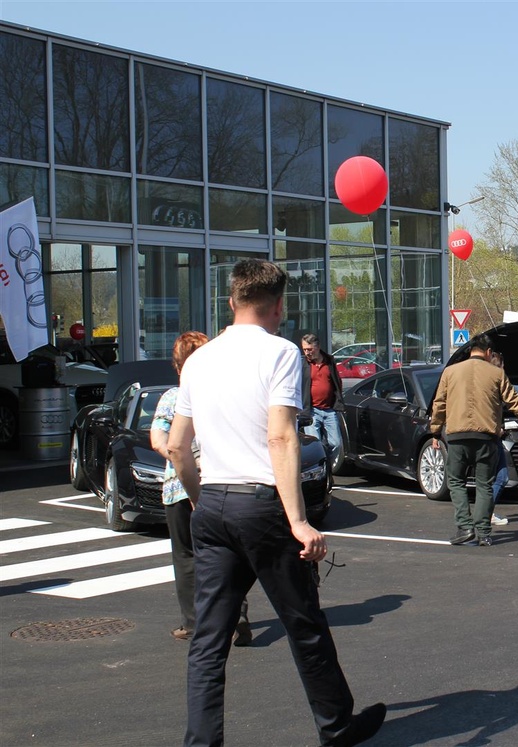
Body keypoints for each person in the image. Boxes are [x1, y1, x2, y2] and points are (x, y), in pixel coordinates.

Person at [167, 259, 385, 746]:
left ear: (231, 300)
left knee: (208, 639)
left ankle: (201, 742)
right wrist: (299, 521)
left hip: (215, 501)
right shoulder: (282, 353)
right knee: (304, 623)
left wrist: (202, 500)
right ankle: (336, 726)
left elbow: (179, 447)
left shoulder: (199, 359)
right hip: (262, 505)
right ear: (279, 306)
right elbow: (282, 438)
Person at [151, 331, 252, 647]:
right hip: (220, 482)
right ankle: (236, 615)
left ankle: (194, 624)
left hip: (178, 487)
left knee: (186, 556)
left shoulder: (173, 397)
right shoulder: (227, 394)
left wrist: (180, 457)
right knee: (225, 554)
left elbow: (159, 440)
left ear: (178, 365)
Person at [429, 334, 518, 547]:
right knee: (485, 484)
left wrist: (435, 432)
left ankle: (464, 527)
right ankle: (483, 532)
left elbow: (439, 404)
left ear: (470, 350)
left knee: (455, 481)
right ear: (489, 352)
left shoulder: (450, 372)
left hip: (457, 436)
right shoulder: (497, 373)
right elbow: (515, 402)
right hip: (487, 437)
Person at [300, 333, 345, 474]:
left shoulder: (329, 362)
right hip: (311, 411)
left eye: (309, 349)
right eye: (304, 349)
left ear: (317, 347)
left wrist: (338, 401)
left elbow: (337, 382)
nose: (307, 353)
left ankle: (328, 470)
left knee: (336, 444)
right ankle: (320, 474)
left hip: (329, 410)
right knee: (316, 444)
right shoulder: (303, 364)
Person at [488, 351, 510, 526]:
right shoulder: (496, 385)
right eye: (502, 365)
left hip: (492, 436)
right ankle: (486, 514)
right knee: (500, 477)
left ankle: (486, 513)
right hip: (492, 438)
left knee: (497, 477)